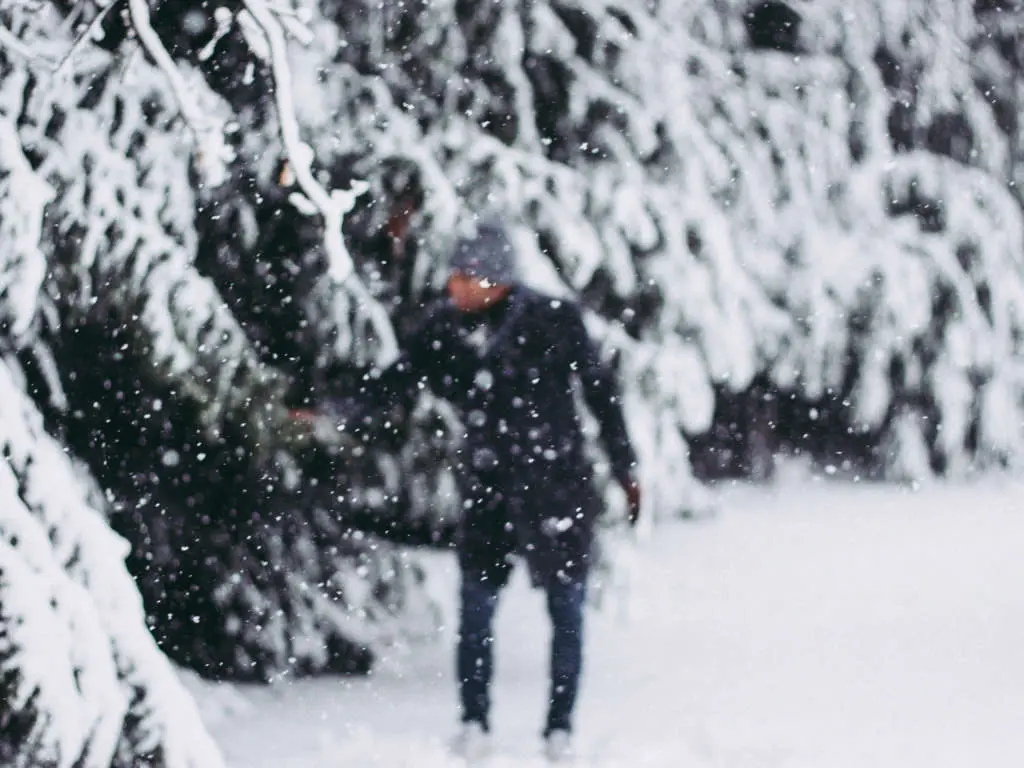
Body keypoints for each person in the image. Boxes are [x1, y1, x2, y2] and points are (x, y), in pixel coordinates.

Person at [290, 216, 641, 762]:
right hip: (488, 488)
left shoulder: (553, 320)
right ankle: (474, 722)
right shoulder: (443, 330)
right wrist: (335, 409)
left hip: (556, 490)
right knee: (476, 612)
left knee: (566, 613)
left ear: (494, 279)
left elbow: (601, 393)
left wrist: (626, 468)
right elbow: (396, 383)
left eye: (464, 275)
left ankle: (560, 729)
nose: (452, 284)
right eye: (453, 274)